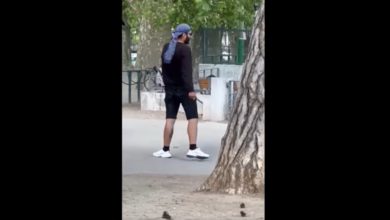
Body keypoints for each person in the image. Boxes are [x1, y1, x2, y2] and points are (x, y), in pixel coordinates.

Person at [152, 23, 210, 159]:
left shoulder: (167, 47)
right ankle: (193, 148)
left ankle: (165, 150)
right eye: (189, 34)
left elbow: (164, 69)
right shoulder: (185, 49)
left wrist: (168, 85)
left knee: (170, 119)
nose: (190, 36)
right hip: (184, 90)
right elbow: (186, 72)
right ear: (183, 35)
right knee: (193, 118)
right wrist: (191, 90)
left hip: (170, 90)